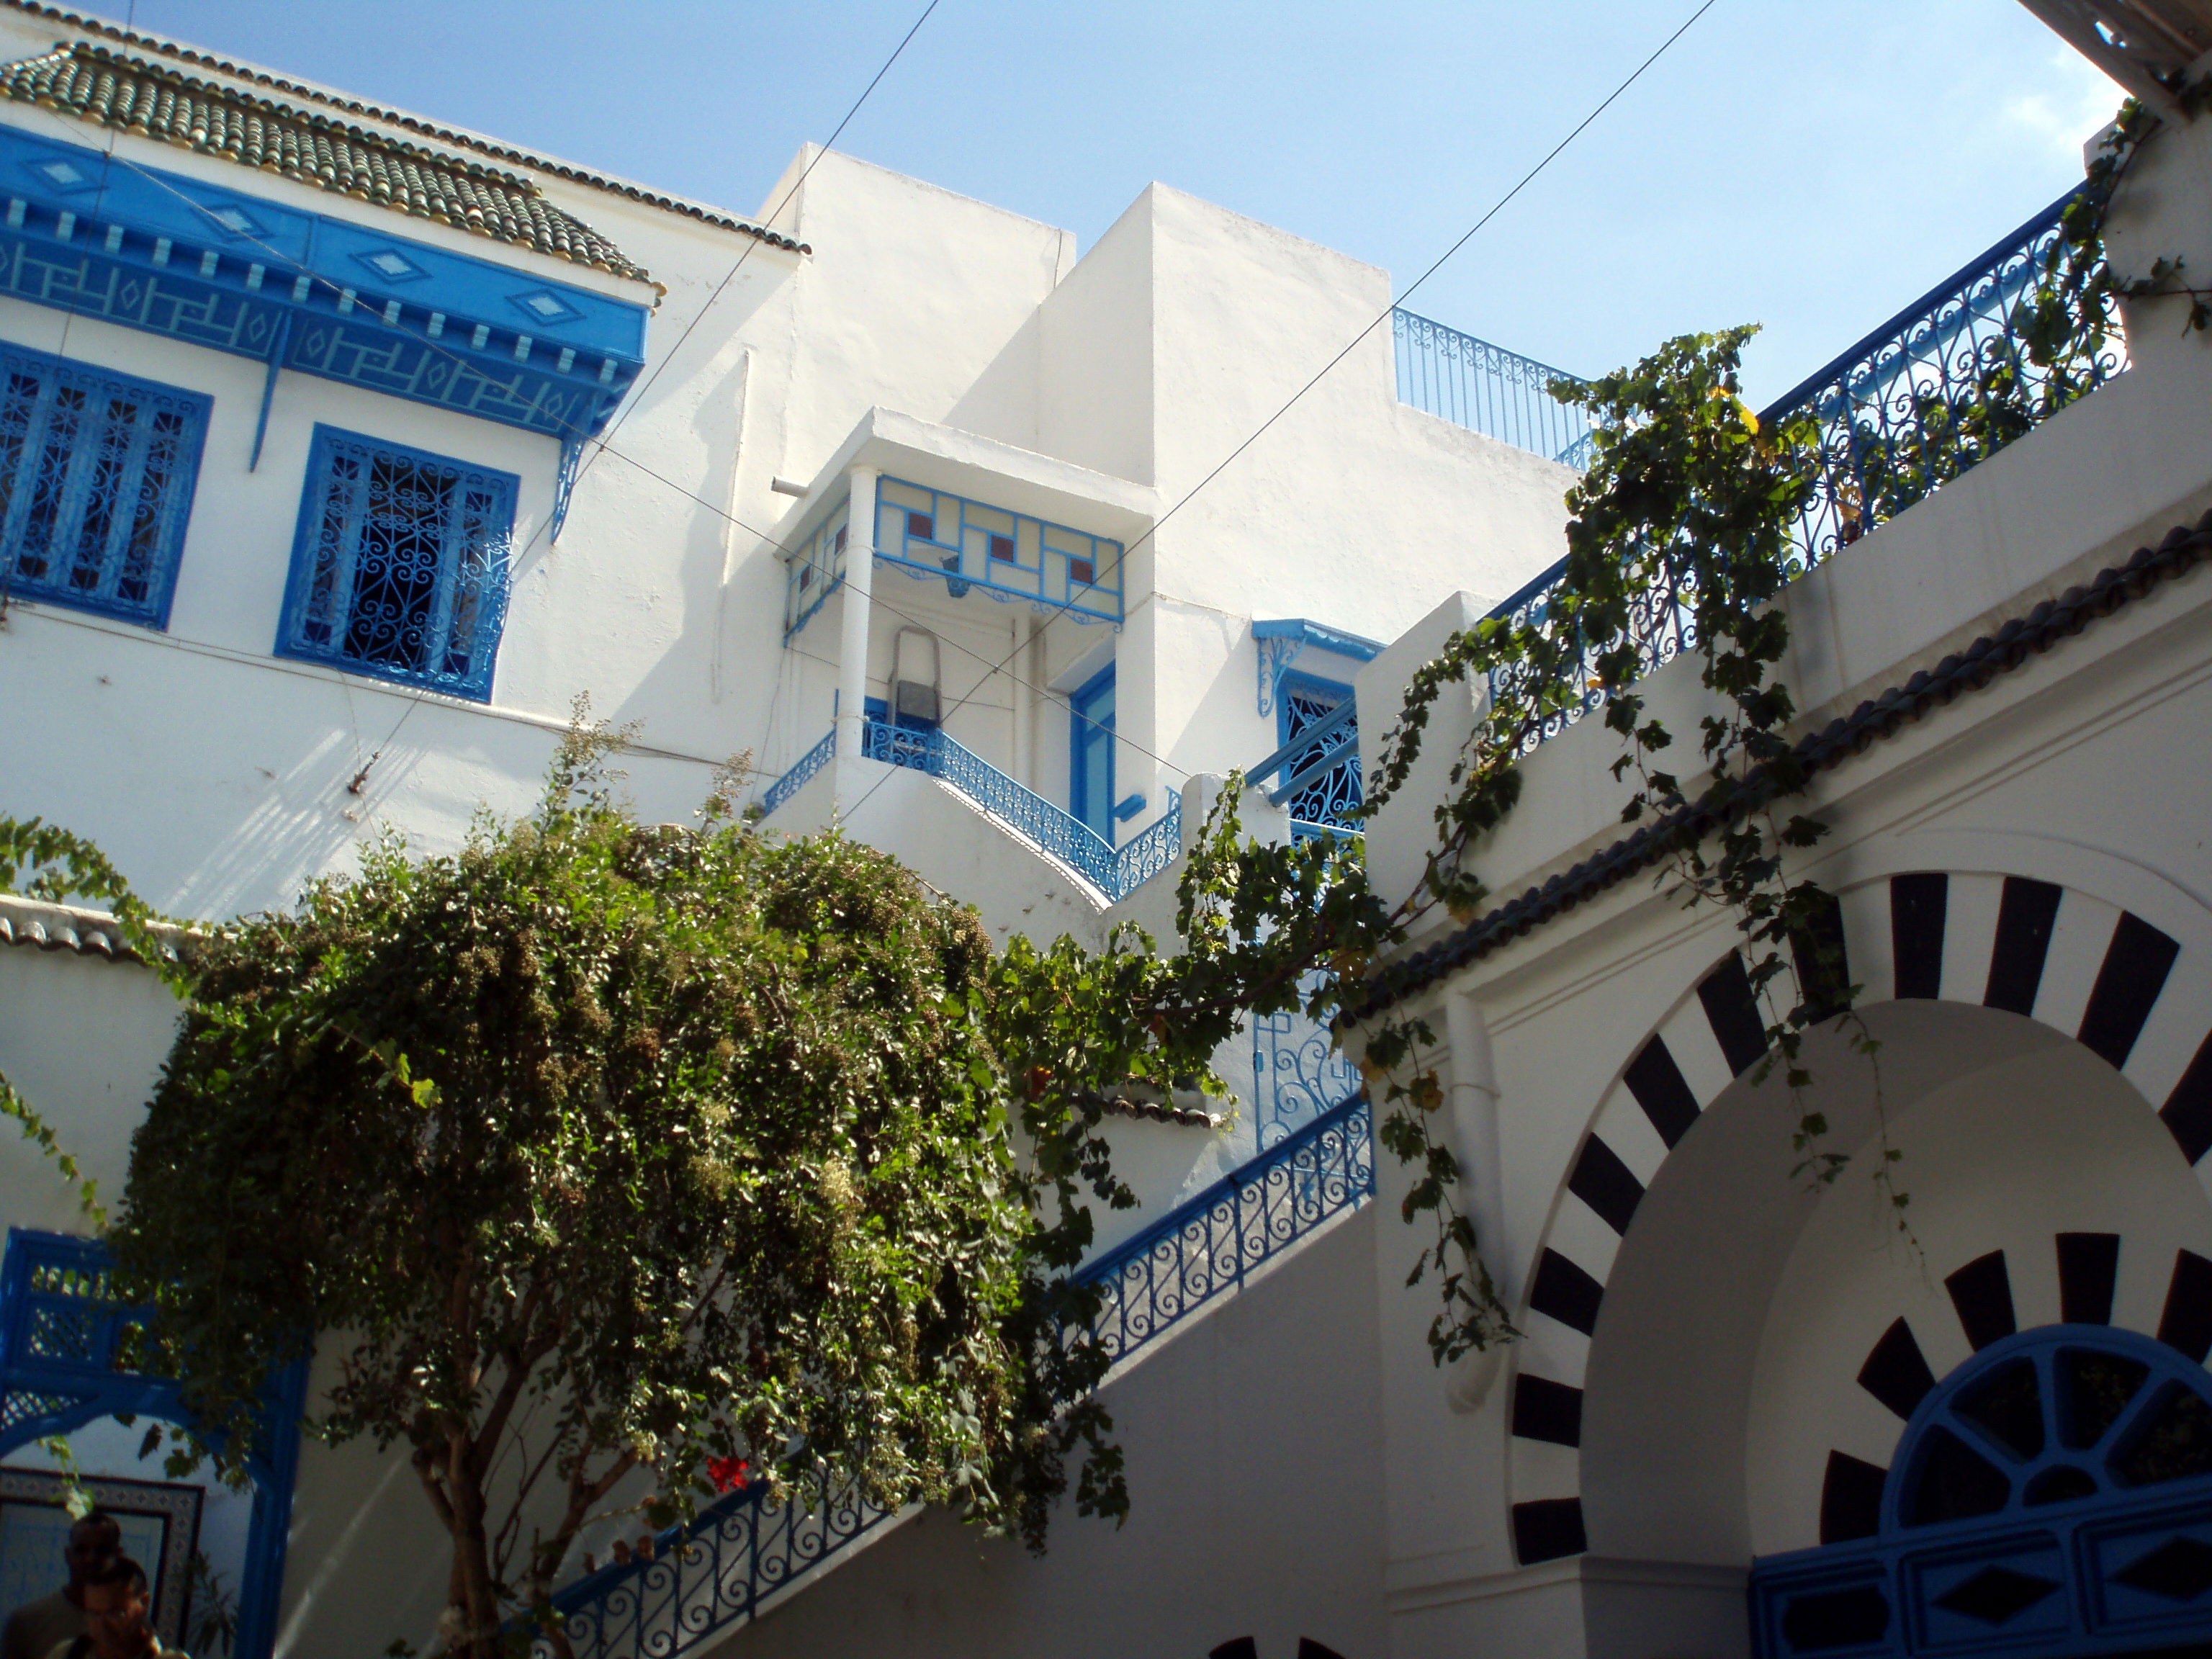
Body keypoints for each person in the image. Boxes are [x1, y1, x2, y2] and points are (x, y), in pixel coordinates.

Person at [3, 1512, 120, 1659]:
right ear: (68, 1555)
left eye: (102, 1551)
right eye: (81, 1550)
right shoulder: (26, 1623)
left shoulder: (134, 1628)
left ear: (118, 1555)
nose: (91, 1559)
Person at [45, 1558, 182, 1659]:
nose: (103, 1626)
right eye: (94, 1614)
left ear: (144, 1604)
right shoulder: (64, 1654)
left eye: (115, 1613)